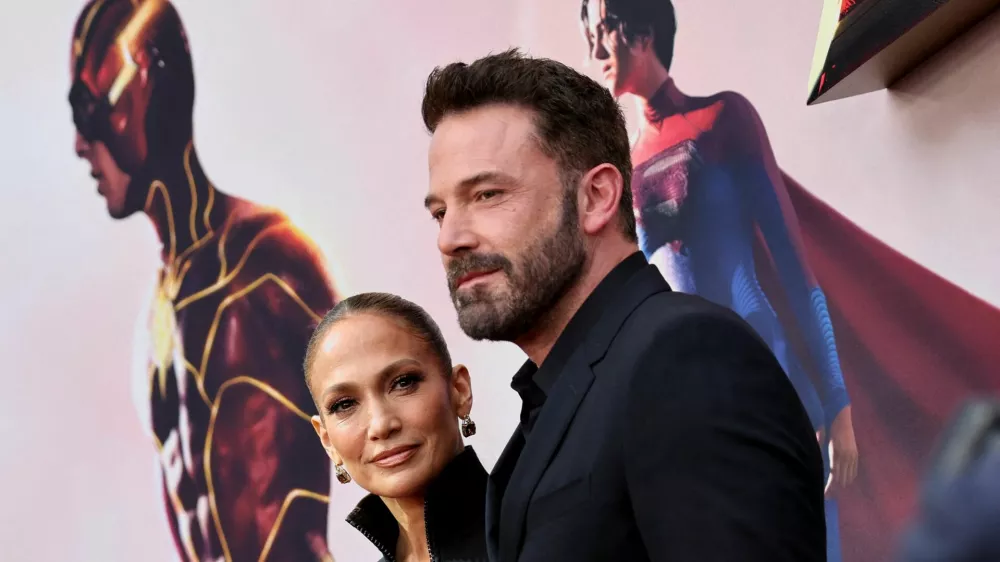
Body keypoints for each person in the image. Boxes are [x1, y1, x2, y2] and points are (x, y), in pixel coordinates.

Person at [420, 48, 826, 561]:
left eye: (487, 194)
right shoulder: (558, 404)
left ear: (597, 197)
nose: (450, 238)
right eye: (439, 212)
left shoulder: (684, 360)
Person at [578, 1, 859, 559]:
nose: (595, 51)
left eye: (604, 29)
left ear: (641, 27)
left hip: (768, 374)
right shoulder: (620, 174)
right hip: (691, 403)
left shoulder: (722, 118)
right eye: (591, 34)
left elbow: (795, 267)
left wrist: (838, 406)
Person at [69, 0, 336, 559]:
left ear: (142, 90)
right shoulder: (154, 322)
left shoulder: (267, 257)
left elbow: (394, 430)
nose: (79, 144)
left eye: (89, 111)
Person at [304, 292, 489, 562]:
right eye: (344, 404)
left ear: (459, 390)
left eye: (403, 382)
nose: (380, 424)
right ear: (327, 440)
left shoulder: (542, 528)